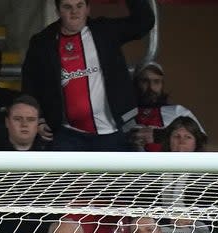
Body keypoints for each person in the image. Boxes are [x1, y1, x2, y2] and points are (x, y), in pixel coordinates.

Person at [21, 0, 155, 152]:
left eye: (79, 6)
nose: (74, 12)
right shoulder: (43, 42)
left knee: (114, 177)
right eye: (67, 7)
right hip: (67, 134)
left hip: (113, 132)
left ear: (88, 9)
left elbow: (144, 22)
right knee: (64, 176)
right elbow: (30, 83)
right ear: (58, 11)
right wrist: (39, 118)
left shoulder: (106, 30)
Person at [128, 62, 204, 152]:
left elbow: (200, 139)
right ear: (135, 83)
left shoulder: (178, 112)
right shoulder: (122, 114)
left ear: (162, 84)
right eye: (145, 81)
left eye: (156, 81)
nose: (151, 87)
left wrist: (158, 135)